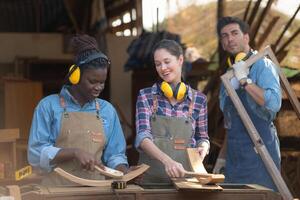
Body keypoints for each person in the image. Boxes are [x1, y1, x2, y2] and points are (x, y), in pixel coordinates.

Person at [28, 34, 128, 186]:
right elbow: (35, 155)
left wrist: (122, 171)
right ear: (76, 76)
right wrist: (73, 153)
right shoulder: (48, 106)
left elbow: (115, 155)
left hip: (96, 193)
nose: (98, 88)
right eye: (93, 81)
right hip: (57, 193)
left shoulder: (107, 110)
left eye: (102, 82)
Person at [214, 16, 281, 191]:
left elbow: (273, 104)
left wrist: (245, 81)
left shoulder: (263, 65)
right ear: (222, 43)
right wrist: (221, 160)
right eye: (224, 35)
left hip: (261, 155)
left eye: (234, 33)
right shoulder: (227, 77)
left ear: (246, 37)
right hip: (234, 160)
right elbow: (231, 124)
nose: (229, 39)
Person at [135, 39, 209, 185]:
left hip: (187, 182)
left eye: (167, 62)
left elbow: (203, 137)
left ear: (180, 60)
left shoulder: (199, 100)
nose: (163, 68)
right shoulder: (146, 96)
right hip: (151, 183)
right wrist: (167, 161)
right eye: (158, 64)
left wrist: (203, 148)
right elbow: (142, 137)